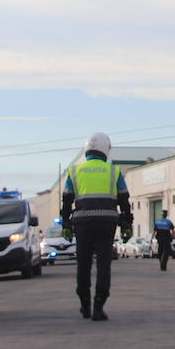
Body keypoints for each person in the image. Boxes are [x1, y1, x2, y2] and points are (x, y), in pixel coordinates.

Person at [59, 132, 133, 322]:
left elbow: (66, 200)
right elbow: (124, 200)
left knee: (83, 264)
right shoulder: (114, 171)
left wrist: (66, 223)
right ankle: (99, 307)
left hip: (82, 223)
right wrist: (126, 223)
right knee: (103, 265)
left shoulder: (74, 171)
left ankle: (85, 305)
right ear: (105, 149)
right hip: (107, 223)